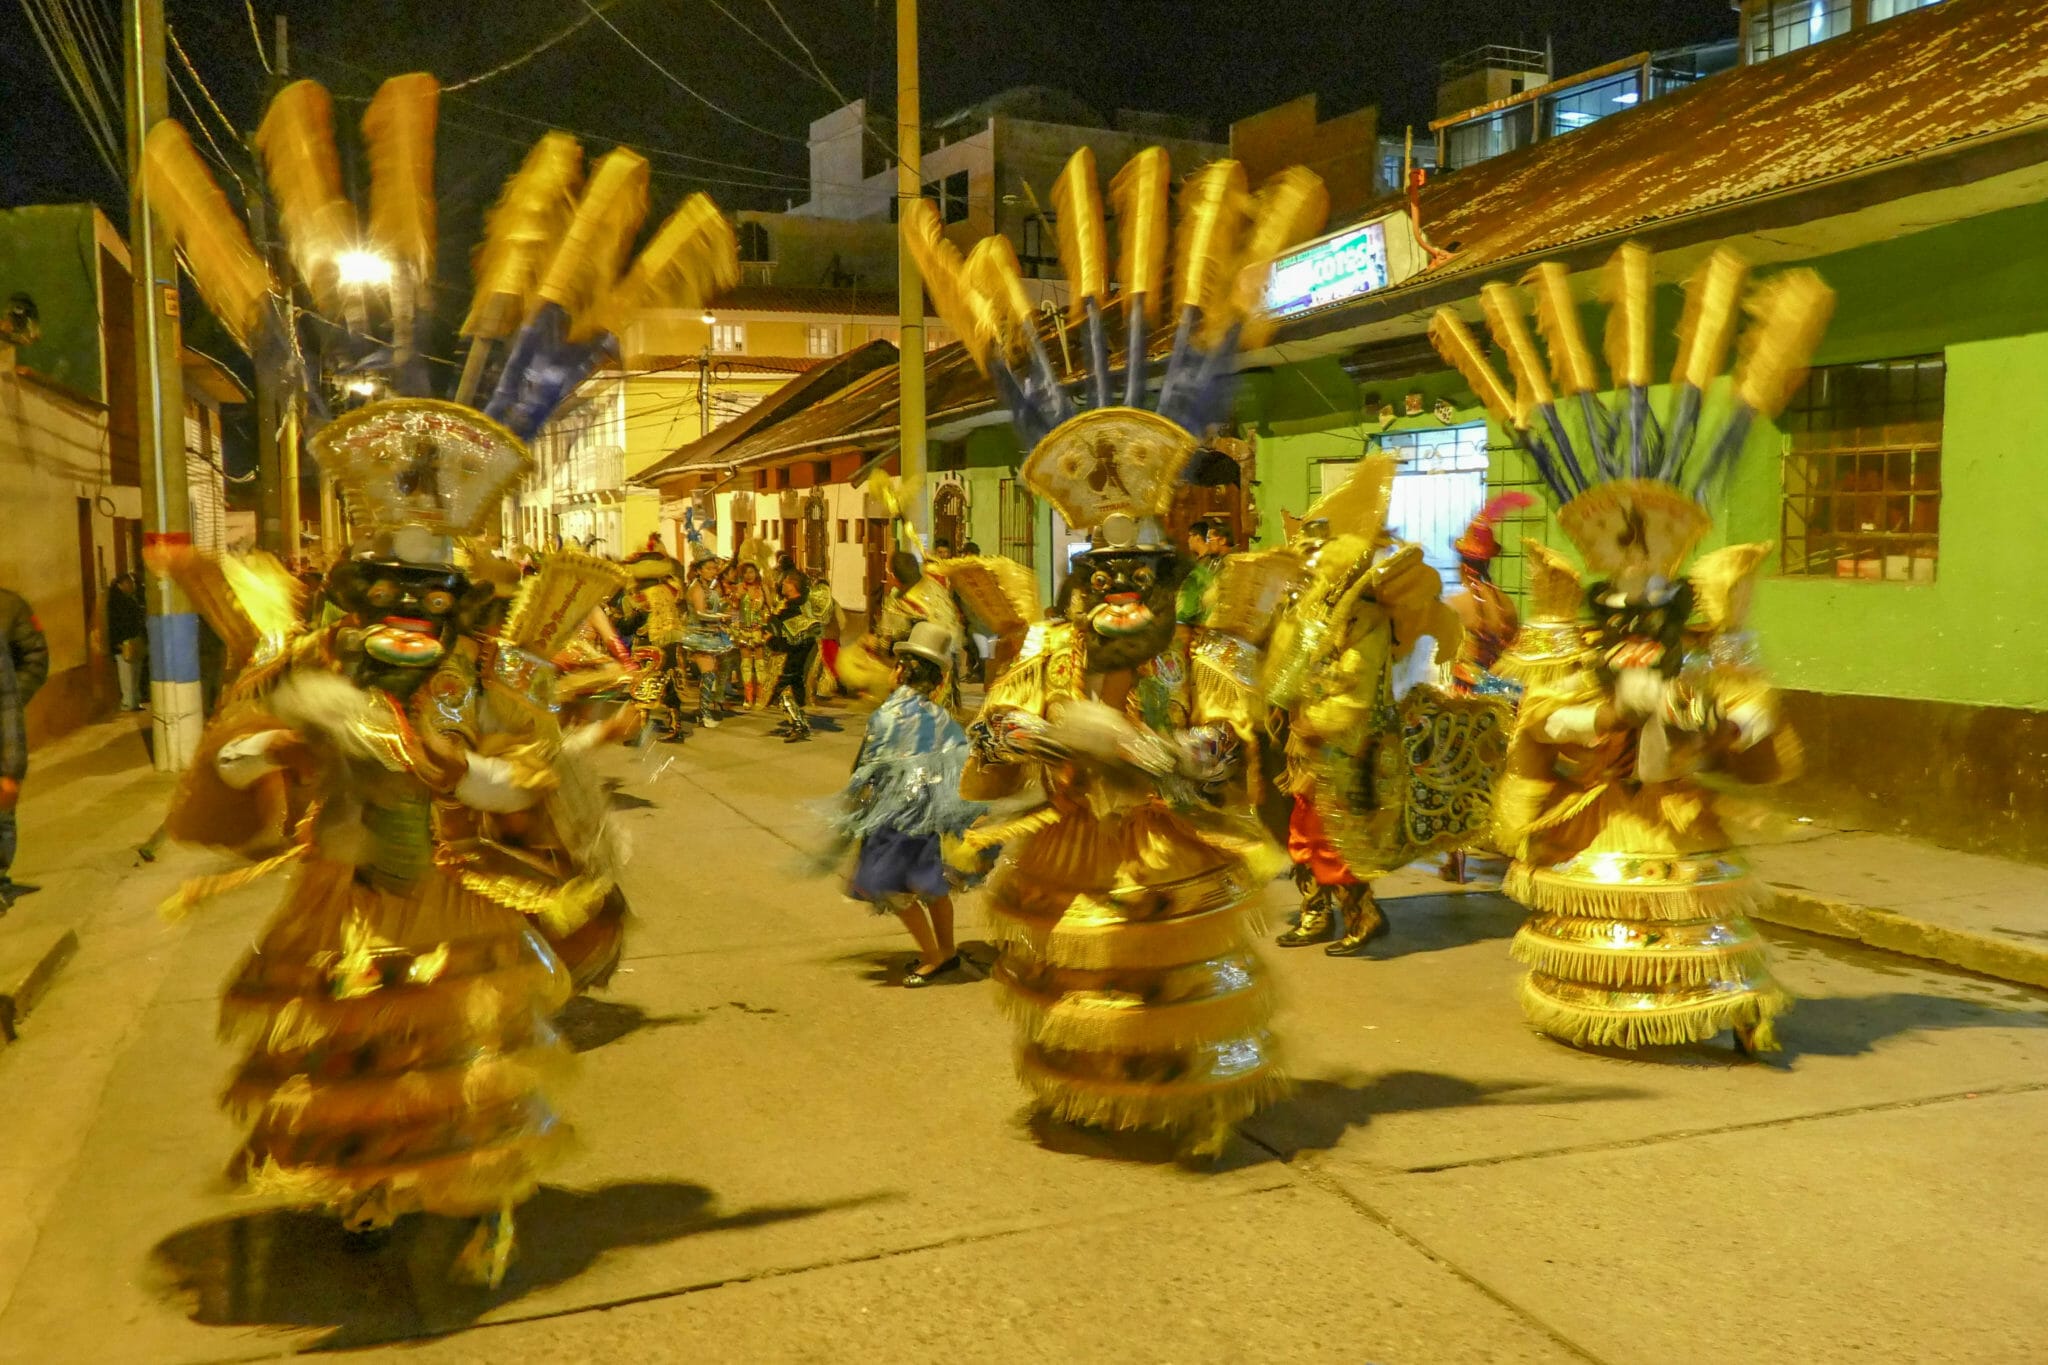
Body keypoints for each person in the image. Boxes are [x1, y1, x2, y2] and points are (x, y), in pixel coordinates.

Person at [905, 143, 1335, 1156]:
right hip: (1073, 843)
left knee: (1170, 980)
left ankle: (1184, 1093)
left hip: (1167, 846)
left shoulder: (1197, 647)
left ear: (1165, 578)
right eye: (1101, 580)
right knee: (1082, 978)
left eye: (1133, 581)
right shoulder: (1050, 640)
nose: (1115, 598)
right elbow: (990, 737)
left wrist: (1167, 757)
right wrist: (1041, 738)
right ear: (1078, 580)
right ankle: (1087, 1089)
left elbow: (1232, 749)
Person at [160, 400, 587, 1286]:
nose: (407, 613)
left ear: (455, 606)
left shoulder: (486, 679)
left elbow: (530, 778)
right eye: (388, 591)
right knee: (353, 1052)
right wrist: (271, 749)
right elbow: (230, 758)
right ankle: (368, 1185)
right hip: (340, 895)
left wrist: (454, 769)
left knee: (447, 1056)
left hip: (450, 894)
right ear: (359, 594)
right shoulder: (305, 666)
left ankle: (459, 1179)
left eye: (428, 598)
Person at [1429, 243, 1830, 1054]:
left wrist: (1728, 717)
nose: (1641, 623)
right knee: (1605, 906)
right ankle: (1602, 993)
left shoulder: (1703, 623)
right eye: (1625, 606)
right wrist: (1610, 707)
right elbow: (1542, 720)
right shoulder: (1575, 631)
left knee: (1695, 901)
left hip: (1677, 808)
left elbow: (1748, 701)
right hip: (1607, 809)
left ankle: (1725, 1001)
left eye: (1656, 606)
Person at [836, 622, 986, 985]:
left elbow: (867, 769)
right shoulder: (940, 717)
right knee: (930, 886)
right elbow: (959, 767)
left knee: (894, 889)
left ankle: (933, 956)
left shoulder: (888, 716)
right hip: (928, 816)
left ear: (903, 671)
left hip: (895, 820)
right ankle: (947, 951)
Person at [0, 587, 50, 909]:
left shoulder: (9, 604)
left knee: (3, 809)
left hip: (3, 721)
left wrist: (16, 699)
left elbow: (35, 657)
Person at [767, 569, 828, 741]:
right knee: (790, 689)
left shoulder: (796, 610)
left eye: (786, 582)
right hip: (795, 655)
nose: (782, 584)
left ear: (793, 586)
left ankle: (799, 725)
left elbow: (792, 638)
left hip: (796, 656)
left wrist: (771, 640)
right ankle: (800, 723)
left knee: (784, 691)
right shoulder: (791, 605)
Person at [682, 556, 734, 728]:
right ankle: (704, 714)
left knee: (713, 672)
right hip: (699, 636)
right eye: (709, 568)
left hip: (710, 634)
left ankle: (704, 711)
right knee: (708, 673)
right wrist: (722, 617)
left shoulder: (708, 588)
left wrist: (723, 613)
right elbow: (700, 613)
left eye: (714, 568)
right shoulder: (696, 588)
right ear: (698, 570)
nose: (713, 572)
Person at [730, 561, 773, 709]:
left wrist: (767, 624)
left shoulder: (763, 588)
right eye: (746, 572)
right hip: (743, 630)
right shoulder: (739, 589)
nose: (749, 575)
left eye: (751, 572)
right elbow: (734, 611)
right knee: (746, 665)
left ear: (756, 573)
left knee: (760, 665)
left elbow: (770, 607)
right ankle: (748, 697)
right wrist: (735, 629)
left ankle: (761, 697)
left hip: (758, 630)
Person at [108, 571, 148, 711]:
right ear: (121, 584)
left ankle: (134, 700)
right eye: (129, 582)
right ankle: (128, 702)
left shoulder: (130, 599)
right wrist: (117, 642)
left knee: (134, 673)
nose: (133, 585)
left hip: (133, 641)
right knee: (127, 674)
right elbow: (114, 624)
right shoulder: (116, 601)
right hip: (123, 643)